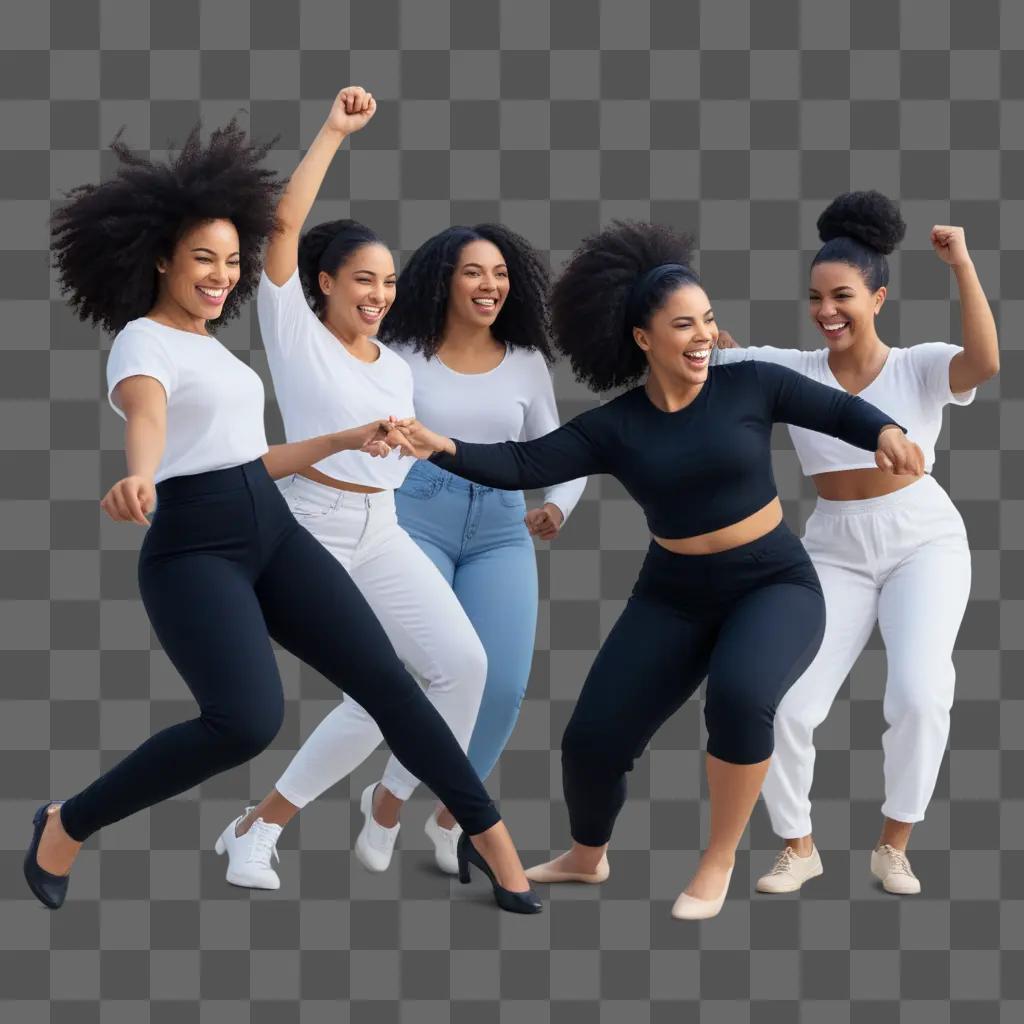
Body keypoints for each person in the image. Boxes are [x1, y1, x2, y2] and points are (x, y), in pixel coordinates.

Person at [25, 107, 540, 916]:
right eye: (204, 259)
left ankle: (496, 845)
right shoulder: (142, 343)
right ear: (160, 259)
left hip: (273, 522)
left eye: (231, 261)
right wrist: (139, 474)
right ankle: (68, 824)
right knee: (245, 721)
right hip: (195, 546)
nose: (221, 274)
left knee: (391, 687)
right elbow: (149, 413)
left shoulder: (215, 349)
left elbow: (249, 458)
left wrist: (344, 436)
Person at [379, 220, 925, 920]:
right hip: (672, 595)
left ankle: (718, 858)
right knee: (590, 741)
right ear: (642, 338)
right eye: (682, 325)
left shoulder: (751, 385)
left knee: (738, 698)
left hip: (771, 584)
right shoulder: (618, 426)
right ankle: (587, 854)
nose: (702, 337)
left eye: (708, 321)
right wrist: (440, 445)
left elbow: (839, 409)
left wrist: (886, 432)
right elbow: (522, 463)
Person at [215, 89, 500, 886]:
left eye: (387, 283)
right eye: (362, 281)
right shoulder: (295, 334)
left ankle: (389, 795)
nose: (378, 295)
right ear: (324, 284)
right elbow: (281, 228)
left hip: (382, 530)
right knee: (378, 694)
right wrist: (334, 133)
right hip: (310, 533)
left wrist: (408, 446)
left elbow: (388, 464)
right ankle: (258, 830)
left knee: (464, 668)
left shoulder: (398, 369)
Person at [710, 191, 998, 895]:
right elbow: (714, 354)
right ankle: (798, 845)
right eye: (815, 297)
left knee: (920, 693)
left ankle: (893, 844)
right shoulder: (794, 370)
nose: (825, 310)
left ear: (878, 298)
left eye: (842, 296)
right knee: (781, 701)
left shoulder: (919, 366)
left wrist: (961, 263)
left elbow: (985, 362)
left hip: (922, 542)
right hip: (833, 548)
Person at [329, 222, 584, 872]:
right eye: (474, 271)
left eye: (499, 274)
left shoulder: (526, 362)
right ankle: (384, 804)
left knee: (501, 687)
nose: (489, 285)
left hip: (500, 527)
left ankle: (450, 817)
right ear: (445, 278)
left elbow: (559, 449)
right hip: (416, 516)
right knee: (420, 674)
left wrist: (557, 502)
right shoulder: (400, 354)